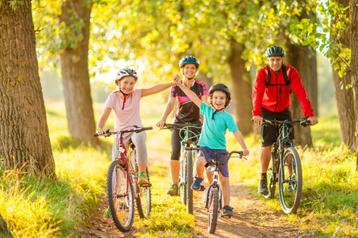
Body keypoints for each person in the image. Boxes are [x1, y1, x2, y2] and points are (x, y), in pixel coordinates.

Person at [176, 81, 249, 217]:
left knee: (224, 180)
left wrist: (244, 148)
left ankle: (226, 206)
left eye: (221, 98)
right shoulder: (206, 109)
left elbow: (236, 132)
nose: (218, 100)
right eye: (215, 97)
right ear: (211, 99)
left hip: (220, 151)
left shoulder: (228, 117)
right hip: (205, 147)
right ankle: (198, 178)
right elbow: (193, 96)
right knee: (199, 161)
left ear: (226, 100)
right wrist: (181, 86)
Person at [252, 46, 318, 195]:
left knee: (288, 143)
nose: (275, 63)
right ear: (268, 60)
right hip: (266, 112)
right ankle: (262, 178)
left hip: (283, 111)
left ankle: (292, 178)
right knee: (267, 143)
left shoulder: (290, 72)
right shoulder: (262, 73)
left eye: (278, 60)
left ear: (282, 59)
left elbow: (301, 93)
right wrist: (257, 114)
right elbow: (258, 94)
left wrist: (309, 114)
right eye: (272, 60)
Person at [97, 67, 177, 187]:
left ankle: (142, 174)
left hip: (136, 129)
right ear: (118, 82)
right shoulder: (112, 97)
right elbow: (104, 115)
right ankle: (118, 197)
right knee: (117, 164)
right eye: (125, 82)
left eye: (132, 83)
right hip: (121, 133)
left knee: (140, 139)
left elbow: (154, 89)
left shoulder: (137, 93)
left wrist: (172, 83)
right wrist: (100, 128)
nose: (128, 86)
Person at [156, 55, 209, 196]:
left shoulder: (201, 86)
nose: (190, 70)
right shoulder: (175, 87)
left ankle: (198, 178)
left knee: (201, 151)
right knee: (175, 152)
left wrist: (206, 122)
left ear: (196, 70)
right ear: (182, 70)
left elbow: (204, 104)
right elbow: (170, 103)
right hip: (178, 123)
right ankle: (174, 184)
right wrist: (163, 118)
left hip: (196, 123)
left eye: (193, 68)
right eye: (187, 68)